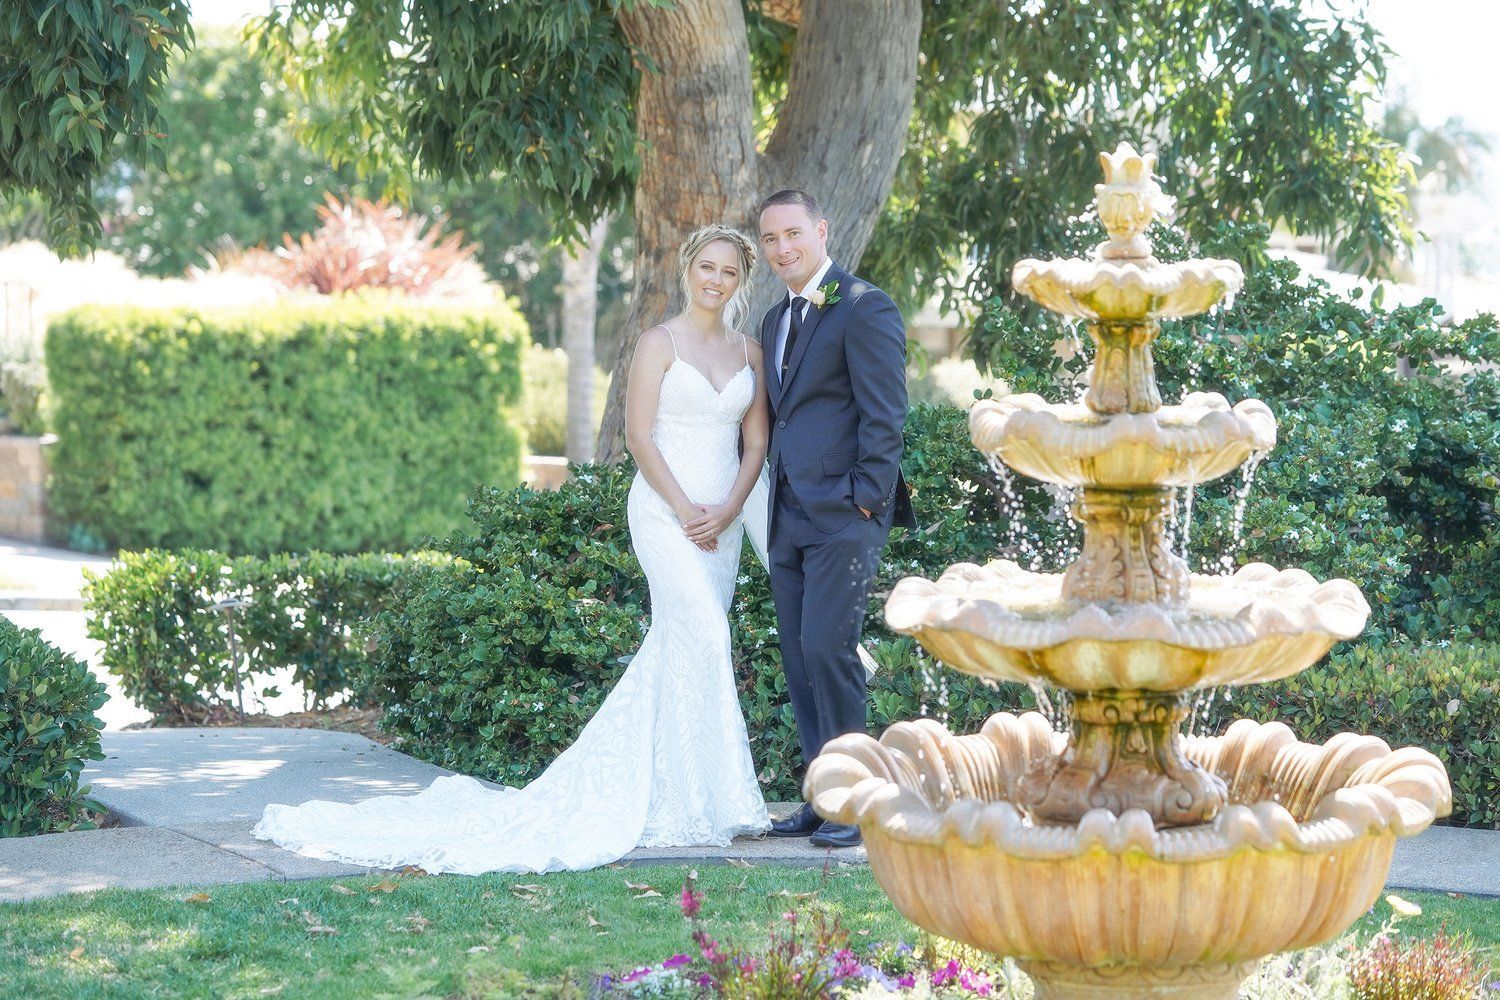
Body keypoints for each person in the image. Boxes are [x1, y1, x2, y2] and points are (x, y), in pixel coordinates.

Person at [253, 224, 772, 874]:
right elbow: (640, 437)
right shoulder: (657, 343)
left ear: (739, 280)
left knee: (683, 644)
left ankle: (696, 796)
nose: (715, 280)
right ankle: (695, 801)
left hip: (720, 525)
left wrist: (724, 511)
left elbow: (755, 444)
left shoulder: (750, 352)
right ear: (688, 266)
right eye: (707, 267)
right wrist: (686, 509)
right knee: (703, 632)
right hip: (666, 515)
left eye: (728, 271)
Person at [756, 190, 916, 850]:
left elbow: (886, 414)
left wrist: (865, 501)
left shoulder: (863, 306)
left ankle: (857, 803)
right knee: (799, 658)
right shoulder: (773, 320)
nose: (782, 248)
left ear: (821, 230)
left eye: (793, 233)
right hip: (787, 514)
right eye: (770, 239)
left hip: (845, 515)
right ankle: (822, 800)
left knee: (830, 648)